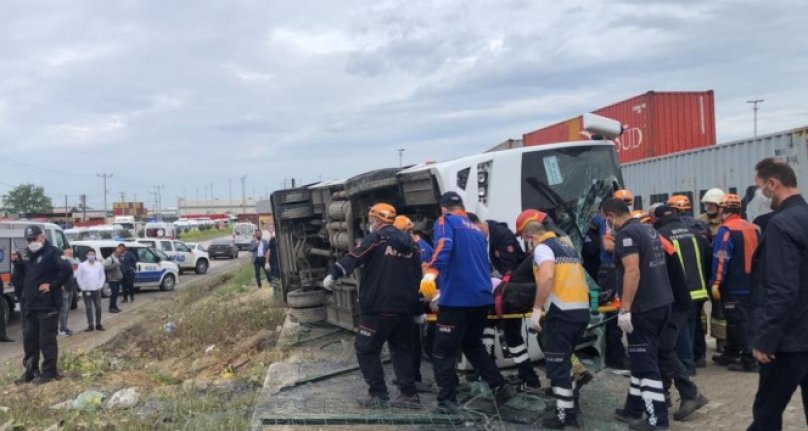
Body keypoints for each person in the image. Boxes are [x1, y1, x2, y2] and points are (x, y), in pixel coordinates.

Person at [420, 192, 515, 412]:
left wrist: (430, 274)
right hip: (481, 298)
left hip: (457, 300)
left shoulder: (446, 222)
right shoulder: (476, 229)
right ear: (461, 207)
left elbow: (444, 247)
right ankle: (499, 386)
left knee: (443, 351)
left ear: (443, 209)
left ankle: (447, 401)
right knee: (472, 344)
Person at [323, 204, 423, 408]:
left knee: (365, 349)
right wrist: (418, 307)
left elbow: (355, 256)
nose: (370, 224)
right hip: (404, 309)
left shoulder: (377, 238)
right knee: (402, 350)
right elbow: (418, 276)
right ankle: (409, 394)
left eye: (370, 220)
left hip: (378, 307)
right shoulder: (411, 245)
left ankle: (378, 394)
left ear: (377, 221)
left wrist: (334, 273)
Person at [602, 199, 674, 431]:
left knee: (645, 364)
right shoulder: (647, 229)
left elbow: (632, 272)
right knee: (641, 357)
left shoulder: (626, 235)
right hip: (662, 302)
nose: (607, 224)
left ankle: (657, 420)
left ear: (611, 215)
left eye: (606, 219)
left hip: (643, 308)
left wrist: (625, 308)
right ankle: (633, 408)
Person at [515, 209, 591, 429]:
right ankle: (572, 408)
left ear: (530, 237)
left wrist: (537, 309)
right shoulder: (567, 247)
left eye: (525, 240)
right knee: (566, 362)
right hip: (580, 313)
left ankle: (565, 418)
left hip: (561, 314)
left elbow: (547, 276)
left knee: (557, 368)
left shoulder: (543, 248)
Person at [747, 158, 808, 430]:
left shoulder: (781, 225)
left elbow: (781, 288)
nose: (761, 194)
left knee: (767, 413)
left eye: (759, 186)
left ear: (773, 183)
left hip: (788, 341)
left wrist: (765, 338)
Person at [640, 211, 709, 421]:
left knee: (664, 348)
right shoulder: (664, 238)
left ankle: (691, 393)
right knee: (663, 347)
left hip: (677, 303)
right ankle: (665, 393)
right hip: (685, 297)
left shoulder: (658, 241)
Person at [468, 213, 542, 394]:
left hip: (514, 292)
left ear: (480, 224)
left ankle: (528, 377)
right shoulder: (487, 238)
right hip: (507, 291)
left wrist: (499, 287)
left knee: (511, 335)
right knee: (490, 326)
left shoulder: (501, 235)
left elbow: (509, 269)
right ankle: (487, 369)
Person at [652, 205, 711, 374]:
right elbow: (707, 256)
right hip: (699, 287)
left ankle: (687, 365)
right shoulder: (693, 231)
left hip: (680, 290)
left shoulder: (661, 235)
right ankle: (696, 357)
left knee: (681, 328)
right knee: (694, 324)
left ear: (657, 219)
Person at [11, 225, 72, 385]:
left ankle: (49, 372)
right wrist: (16, 264)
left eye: (34, 238)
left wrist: (52, 285)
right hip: (29, 304)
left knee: (47, 340)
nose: (32, 242)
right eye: (29, 239)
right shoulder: (25, 254)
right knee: (29, 340)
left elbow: (66, 270)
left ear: (42, 236)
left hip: (47, 305)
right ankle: (31, 371)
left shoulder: (53, 252)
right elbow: (19, 276)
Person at [709, 193, 759, 372]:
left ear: (724, 210)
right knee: (745, 321)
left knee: (738, 323)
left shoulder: (726, 230)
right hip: (752, 284)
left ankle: (748, 359)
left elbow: (721, 258)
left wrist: (716, 281)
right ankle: (731, 353)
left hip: (734, 285)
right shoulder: (753, 227)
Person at [593, 189, 634, 371]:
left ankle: (617, 353)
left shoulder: (628, 222)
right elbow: (608, 245)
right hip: (610, 270)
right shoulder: (608, 222)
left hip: (617, 269)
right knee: (612, 314)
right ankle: (615, 356)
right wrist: (628, 247)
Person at [392, 215, 433, 393]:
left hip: (419, 299)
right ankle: (408, 376)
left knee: (414, 341)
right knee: (407, 341)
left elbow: (423, 276)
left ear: (409, 231)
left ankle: (414, 377)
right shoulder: (411, 247)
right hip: (409, 299)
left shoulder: (422, 249)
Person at [76, 250, 106, 332]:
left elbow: (102, 276)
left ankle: (98, 324)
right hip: (86, 290)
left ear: (95, 255)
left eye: (93, 254)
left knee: (98, 307)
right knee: (88, 308)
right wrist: (82, 287)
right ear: (86, 255)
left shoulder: (99, 265)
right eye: (89, 254)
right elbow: (79, 277)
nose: (91, 256)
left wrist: (100, 286)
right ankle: (90, 325)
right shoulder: (82, 265)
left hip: (96, 289)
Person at [58, 249, 79, 336]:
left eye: (72, 254)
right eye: (69, 254)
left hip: (70, 288)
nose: (71, 255)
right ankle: (62, 329)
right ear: (64, 254)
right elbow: (58, 275)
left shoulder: (70, 263)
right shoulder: (61, 263)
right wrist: (60, 285)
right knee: (63, 310)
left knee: (67, 310)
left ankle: (64, 327)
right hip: (64, 289)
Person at [104, 245, 124, 314]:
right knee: (114, 293)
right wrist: (115, 265)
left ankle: (115, 306)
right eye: (118, 252)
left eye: (120, 252)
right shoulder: (109, 258)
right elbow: (106, 268)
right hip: (112, 279)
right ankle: (111, 308)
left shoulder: (117, 258)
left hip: (117, 278)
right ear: (114, 251)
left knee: (116, 294)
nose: (119, 253)